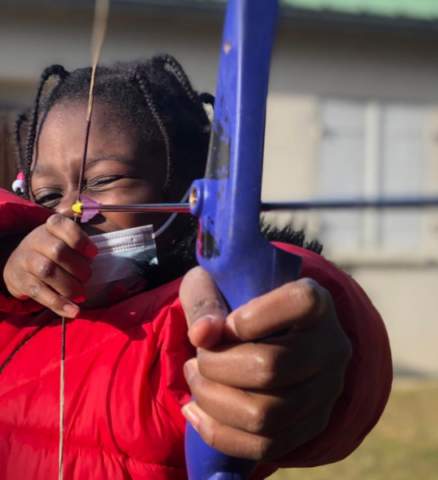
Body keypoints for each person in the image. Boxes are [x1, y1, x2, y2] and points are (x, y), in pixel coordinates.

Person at [0, 56, 392, 480]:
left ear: (192, 194)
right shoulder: (19, 305)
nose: (71, 214)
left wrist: (295, 325)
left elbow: (294, 297)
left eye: (104, 180)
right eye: (46, 195)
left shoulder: (187, 321)